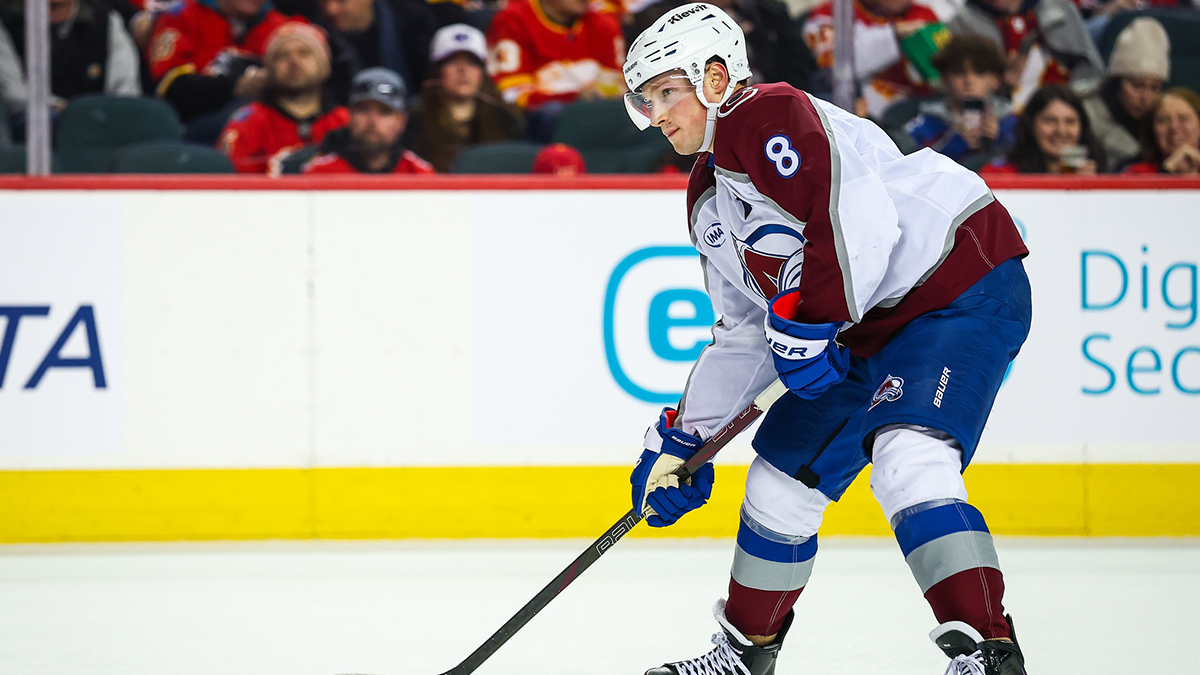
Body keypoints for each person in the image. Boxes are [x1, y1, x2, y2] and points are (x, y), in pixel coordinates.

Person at [622, 4, 1031, 675]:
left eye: (668, 91)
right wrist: (681, 441)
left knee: (909, 458)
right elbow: (745, 335)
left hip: (953, 282)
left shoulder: (766, 114)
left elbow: (857, 218)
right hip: (860, 328)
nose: (657, 112)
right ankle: (742, 654)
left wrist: (809, 325)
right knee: (779, 483)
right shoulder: (708, 196)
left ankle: (990, 653)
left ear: (716, 77)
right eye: (646, 99)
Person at [146, 0, 292, 141]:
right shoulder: (180, 15)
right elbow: (170, 88)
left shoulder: (282, 27)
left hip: (270, 127)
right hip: (195, 124)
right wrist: (236, 87)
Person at [217, 22, 350, 173]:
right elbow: (229, 187)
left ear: (325, 65)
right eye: (282, 56)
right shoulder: (248, 123)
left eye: (304, 53)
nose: (294, 62)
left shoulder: (344, 122)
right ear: (269, 68)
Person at [485, 0, 625, 139]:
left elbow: (620, 81)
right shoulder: (513, 19)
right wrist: (575, 98)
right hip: (541, 123)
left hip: (598, 112)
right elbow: (512, 93)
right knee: (553, 112)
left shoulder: (603, 22)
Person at [404, 23, 523, 172]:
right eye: (453, 61)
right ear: (437, 70)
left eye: (472, 62)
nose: (463, 70)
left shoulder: (505, 120)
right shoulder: (414, 120)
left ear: (483, 72)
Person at [948, 0, 1104, 111]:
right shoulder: (961, 23)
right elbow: (961, 91)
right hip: (1004, 119)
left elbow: (1091, 69)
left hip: (1072, 106)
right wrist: (1002, 83)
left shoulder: (1058, 8)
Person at [803, 0, 945, 118]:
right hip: (863, 118)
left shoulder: (923, 14)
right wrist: (894, 34)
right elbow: (837, 67)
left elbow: (947, 75)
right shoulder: (828, 15)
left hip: (926, 112)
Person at [0, 0, 141, 119]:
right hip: (29, 131)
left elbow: (125, 90)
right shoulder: (7, 19)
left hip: (102, 128)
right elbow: (14, 92)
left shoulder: (105, 19)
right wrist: (67, 111)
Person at [904, 34, 1017, 165]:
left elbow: (1027, 165)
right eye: (959, 72)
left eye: (979, 73)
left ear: (996, 80)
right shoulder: (923, 124)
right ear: (945, 79)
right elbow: (912, 169)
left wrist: (999, 140)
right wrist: (955, 142)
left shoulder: (1012, 124)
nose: (969, 80)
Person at [302, 67, 435, 173]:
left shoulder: (419, 175)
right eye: (363, 110)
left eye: (384, 112)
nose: (372, 121)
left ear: (401, 121)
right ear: (350, 116)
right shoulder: (320, 174)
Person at [1083, 17, 1170, 171]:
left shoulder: (1168, 126)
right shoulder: (1084, 116)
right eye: (1137, 86)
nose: (1146, 98)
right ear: (1116, 84)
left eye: (1155, 88)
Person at [317, 0, 438, 102]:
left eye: (341, 1)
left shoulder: (414, 22)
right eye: (323, 1)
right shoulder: (318, 38)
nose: (330, 9)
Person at [983, 84, 1105, 173]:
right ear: (1030, 125)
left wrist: (1090, 191)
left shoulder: (1100, 175)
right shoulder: (999, 173)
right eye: (1050, 120)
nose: (1061, 131)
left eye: (1070, 122)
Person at [1124, 87, 1200, 175]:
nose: (1174, 127)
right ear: (1152, 130)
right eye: (1164, 120)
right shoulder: (1134, 172)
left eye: (1183, 118)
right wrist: (1166, 171)